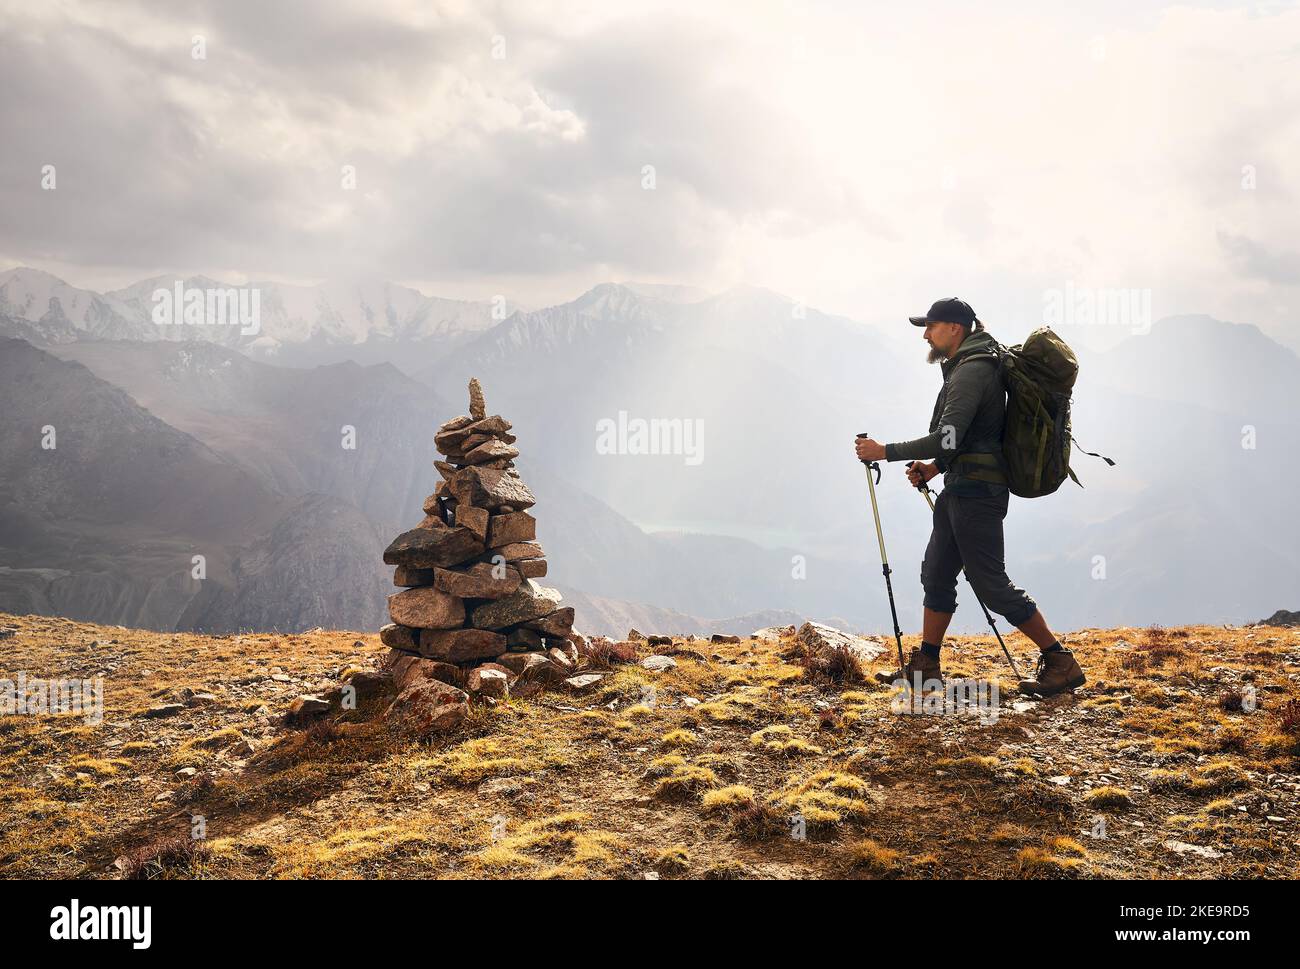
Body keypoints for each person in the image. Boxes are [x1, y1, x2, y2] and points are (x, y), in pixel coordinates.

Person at [853, 297, 1085, 696]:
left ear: (955, 328)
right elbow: (976, 438)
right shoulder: (972, 365)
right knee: (938, 574)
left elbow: (949, 436)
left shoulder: (973, 371)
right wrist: (935, 468)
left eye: (931, 326)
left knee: (991, 584)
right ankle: (926, 666)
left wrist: (884, 451)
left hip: (977, 495)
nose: (926, 334)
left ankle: (1060, 660)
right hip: (961, 487)